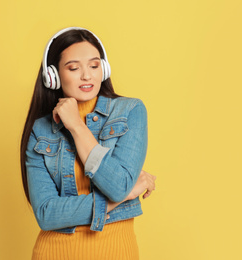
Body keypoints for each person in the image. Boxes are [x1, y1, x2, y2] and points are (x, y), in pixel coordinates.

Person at [20, 27, 156, 260]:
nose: (87, 75)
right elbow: (46, 214)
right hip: (53, 253)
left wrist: (77, 126)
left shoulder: (131, 111)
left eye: (94, 66)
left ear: (103, 70)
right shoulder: (41, 130)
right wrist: (123, 197)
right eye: (74, 68)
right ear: (52, 76)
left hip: (116, 252)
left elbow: (116, 186)